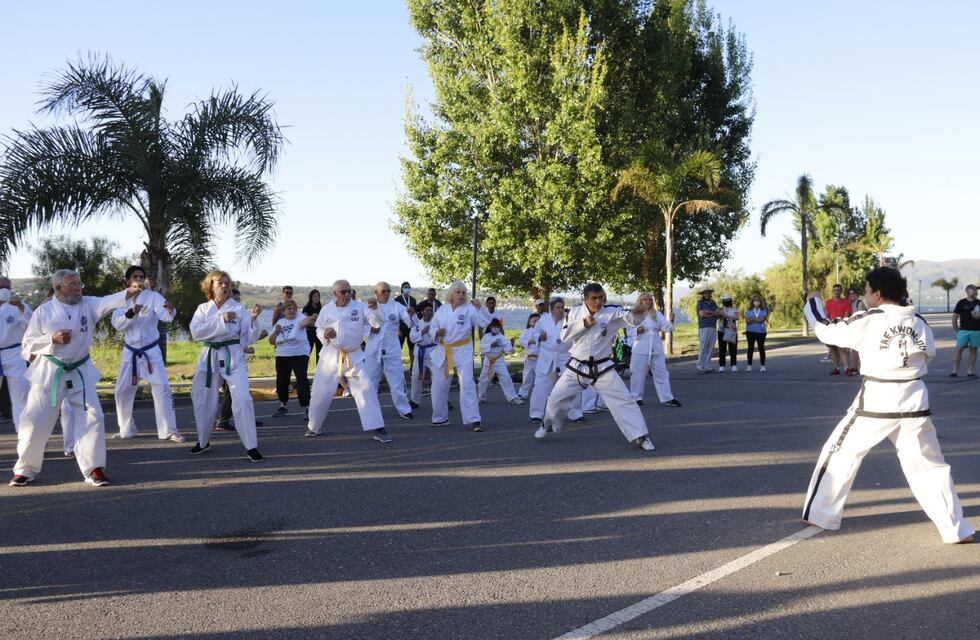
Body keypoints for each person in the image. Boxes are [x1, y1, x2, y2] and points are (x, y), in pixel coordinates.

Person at [801, 266, 974, 544]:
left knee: (840, 452)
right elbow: (927, 354)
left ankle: (820, 514)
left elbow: (827, 330)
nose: (866, 296)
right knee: (930, 466)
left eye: (868, 291)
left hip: (878, 399)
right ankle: (955, 528)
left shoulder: (870, 319)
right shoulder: (918, 321)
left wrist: (813, 302)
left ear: (877, 294)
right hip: (915, 397)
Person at [9, 269, 139, 487]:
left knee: (93, 417)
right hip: (49, 373)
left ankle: (94, 468)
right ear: (59, 288)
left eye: (80, 284)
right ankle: (25, 469)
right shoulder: (43, 312)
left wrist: (129, 292)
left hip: (80, 371)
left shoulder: (88, 304)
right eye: (73, 285)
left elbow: (108, 301)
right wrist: (51, 338)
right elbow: (27, 346)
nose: (79, 288)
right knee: (35, 422)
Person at [535, 283, 655, 451]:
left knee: (623, 400)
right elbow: (564, 336)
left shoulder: (611, 311)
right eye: (594, 298)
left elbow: (630, 319)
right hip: (577, 366)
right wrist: (584, 323)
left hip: (602, 367)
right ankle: (547, 424)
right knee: (556, 399)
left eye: (600, 298)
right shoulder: (575, 312)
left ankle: (640, 436)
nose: (598, 302)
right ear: (585, 299)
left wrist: (639, 311)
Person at [188, 271, 264, 462]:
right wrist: (221, 320)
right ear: (210, 286)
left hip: (233, 356)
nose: (224, 285)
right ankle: (202, 441)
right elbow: (196, 332)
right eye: (219, 282)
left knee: (243, 398)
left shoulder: (239, 309)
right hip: (210, 355)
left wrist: (253, 319)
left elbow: (248, 338)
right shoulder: (203, 309)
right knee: (202, 399)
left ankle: (251, 446)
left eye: (226, 283)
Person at [305, 279, 391, 442]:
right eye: (343, 292)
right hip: (330, 356)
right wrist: (325, 334)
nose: (347, 295)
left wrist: (376, 309)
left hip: (354, 356)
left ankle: (378, 427)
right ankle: (313, 426)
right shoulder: (326, 310)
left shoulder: (359, 307)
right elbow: (318, 329)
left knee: (366, 389)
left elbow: (377, 323)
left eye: (349, 291)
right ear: (334, 294)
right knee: (319, 393)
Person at [110, 266, 183, 443]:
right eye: (135, 277)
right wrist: (131, 313)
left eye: (141, 276)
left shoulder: (153, 297)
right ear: (127, 281)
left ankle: (169, 430)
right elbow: (117, 324)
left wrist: (170, 310)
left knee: (162, 388)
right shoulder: (121, 300)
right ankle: (126, 429)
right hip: (130, 352)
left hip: (150, 351)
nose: (139, 280)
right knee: (122, 392)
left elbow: (165, 316)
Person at [428, 281, 485, 431]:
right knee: (438, 385)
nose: (461, 295)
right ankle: (440, 417)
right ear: (451, 294)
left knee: (467, 383)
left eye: (463, 293)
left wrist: (479, 308)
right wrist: (436, 333)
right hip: (443, 350)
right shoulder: (442, 309)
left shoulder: (469, 309)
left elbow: (482, 322)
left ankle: (474, 419)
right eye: (458, 292)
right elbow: (433, 326)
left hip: (462, 350)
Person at [363, 281, 415, 419]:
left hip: (391, 347)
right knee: (371, 380)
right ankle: (369, 410)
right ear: (376, 293)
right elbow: (363, 325)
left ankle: (404, 409)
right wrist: (371, 330)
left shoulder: (397, 306)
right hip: (374, 347)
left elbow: (408, 320)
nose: (386, 293)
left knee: (397, 380)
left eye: (388, 291)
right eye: (383, 291)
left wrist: (410, 315)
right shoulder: (369, 307)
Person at [528, 298, 584, 424]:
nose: (560, 310)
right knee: (541, 386)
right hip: (547, 356)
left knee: (571, 384)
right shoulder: (544, 319)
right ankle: (536, 413)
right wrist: (539, 337)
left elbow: (578, 335)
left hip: (565, 356)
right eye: (558, 307)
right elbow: (534, 333)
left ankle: (575, 413)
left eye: (562, 307)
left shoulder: (570, 319)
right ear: (552, 309)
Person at [628, 293, 680, 407]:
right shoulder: (634, 314)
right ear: (640, 301)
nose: (648, 301)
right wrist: (637, 331)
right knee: (637, 374)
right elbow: (628, 331)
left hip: (656, 348)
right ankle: (636, 397)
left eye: (650, 300)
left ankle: (667, 398)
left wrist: (671, 320)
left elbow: (666, 328)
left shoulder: (656, 314)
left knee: (662, 373)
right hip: (640, 348)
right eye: (645, 300)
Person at [269, 298, 314, 418]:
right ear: (283, 311)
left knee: (301, 379)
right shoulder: (280, 323)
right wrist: (275, 333)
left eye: (294, 308)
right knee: (282, 381)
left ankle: (308, 408)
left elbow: (307, 321)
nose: (292, 310)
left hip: (300, 354)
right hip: (282, 355)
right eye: (289, 308)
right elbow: (271, 341)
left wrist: (312, 317)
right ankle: (283, 406)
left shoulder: (300, 319)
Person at [0, 277, 31, 432]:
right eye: (1, 287)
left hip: (13, 352)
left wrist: (20, 307)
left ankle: (26, 436)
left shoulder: (17, 306)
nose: (4, 290)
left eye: (7, 287)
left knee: (21, 395)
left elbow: (32, 323)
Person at [478, 318, 524, 404]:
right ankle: (481, 397)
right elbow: (481, 347)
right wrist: (490, 345)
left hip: (499, 360)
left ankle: (512, 398)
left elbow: (507, 348)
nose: (496, 328)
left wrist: (511, 345)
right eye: (494, 326)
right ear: (490, 327)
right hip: (488, 360)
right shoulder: (486, 336)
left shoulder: (502, 337)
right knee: (483, 380)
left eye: (497, 326)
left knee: (506, 378)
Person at [408, 301, 436, 408]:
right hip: (419, 354)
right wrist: (422, 332)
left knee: (438, 378)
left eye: (430, 310)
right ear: (422, 312)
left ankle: (442, 400)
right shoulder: (417, 324)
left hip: (433, 353)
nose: (429, 312)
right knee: (416, 377)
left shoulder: (435, 323)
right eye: (427, 310)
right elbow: (412, 338)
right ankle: (414, 400)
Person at [950, 283, 980, 378]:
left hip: (976, 330)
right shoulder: (961, 303)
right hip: (963, 330)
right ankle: (954, 371)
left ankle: (970, 371)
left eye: (976, 290)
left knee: (973, 350)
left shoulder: (979, 303)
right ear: (967, 291)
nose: (975, 291)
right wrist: (956, 331)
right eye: (973, 289)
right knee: (959, 350)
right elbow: (954, 317)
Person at [824, 284, 852, 376]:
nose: (837, 292)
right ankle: (836, 368)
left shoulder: (846, 302)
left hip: (841, 328)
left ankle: (846, 368)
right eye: (835, 290)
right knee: (833, 350)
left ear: (841, 291)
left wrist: (841, 322)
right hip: (831, 328)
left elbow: (847, 315)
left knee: (842, 349)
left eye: (838, 290)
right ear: (833, 291)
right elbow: (826, 315)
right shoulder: (828, 302)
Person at [696, 288, 720, 373]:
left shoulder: (713, 303)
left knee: (710, 347)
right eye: (705, 293)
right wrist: (713, 314)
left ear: (710, 294)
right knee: (703, 346)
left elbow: (718, 312)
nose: (707, 294)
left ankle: (707, 365)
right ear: (703, 294)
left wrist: (709, 313)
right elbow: (702, 314)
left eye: (708, 293)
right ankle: (700, 365)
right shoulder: (700, 303)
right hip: (704, 327)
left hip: (713, 327)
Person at [394, 281, 418, 367]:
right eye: (405, 287)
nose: (407, 289)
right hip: (401, 327)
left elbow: (416, 314)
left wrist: (413, 312)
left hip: (411, 328)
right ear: (402, 289)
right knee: (398, 347)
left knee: (412, 347)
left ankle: (412, 365)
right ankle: (397, 365)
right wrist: (397, 329)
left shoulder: (413, 300)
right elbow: (395, 316)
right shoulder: (397, 300)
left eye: (408, 287)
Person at [517, 313, 541, 399]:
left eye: (538, 321)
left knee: (540, 377)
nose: (536, 323)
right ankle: (523, 393)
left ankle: (540, 394)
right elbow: (520, 341)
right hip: (529, 358)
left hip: (540, 358)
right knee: (527, 377)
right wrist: (529, 341)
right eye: (534, 321)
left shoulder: (543, 332)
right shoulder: (526, 331)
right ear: (530, 322)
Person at [744, 293, 768, 372]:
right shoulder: (749, 311)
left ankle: (763, 365)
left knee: (761, 348)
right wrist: (755, 319)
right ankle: (749, 365)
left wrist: (753, 319)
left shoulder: (763, 310)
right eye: (755, 301)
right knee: (750, 348)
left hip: (761, 332)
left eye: (758, 301)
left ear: (760, 302)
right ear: (752, 302)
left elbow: (762, 319)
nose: (756, 302)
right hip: (750, 331)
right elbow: (747, 321)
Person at [717, 294, 739, 372]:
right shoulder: (720, 309)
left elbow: (736, 317)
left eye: (728, 300)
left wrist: (726, 316)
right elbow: (718, 316)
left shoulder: (735, 310)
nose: (727, 302)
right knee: (722, 349)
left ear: (731, 301)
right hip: (721, 330)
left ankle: (733, 365)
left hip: (732, 330)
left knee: (733, 349)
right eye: (725, 301)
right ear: (723, 302)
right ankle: (722, 365)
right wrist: (725, 315)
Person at [847, 288, 867, 373]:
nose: (852, 295)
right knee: (854, 349)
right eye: (850, 294)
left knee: (860, 349)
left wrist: (851, 319)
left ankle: (860, 367)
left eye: (853, 293)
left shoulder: (860, 303)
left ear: (857, 295)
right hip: (853, 328)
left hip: (861, 328)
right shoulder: (850, 303)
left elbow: (861, 315)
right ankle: (855, 366)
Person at [302, 289, 323, 363]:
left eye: (318, 296)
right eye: (314, 296)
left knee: (320, 353)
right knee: (307, 352)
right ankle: (303, 371)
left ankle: (319, 372)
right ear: (311, 297)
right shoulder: (306, 308)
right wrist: (313, 320)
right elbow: (304, 321)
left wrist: (314, 321)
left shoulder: (321, 308)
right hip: (309, 333)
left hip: (319, 333)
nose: (316, 297)